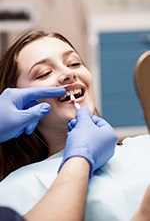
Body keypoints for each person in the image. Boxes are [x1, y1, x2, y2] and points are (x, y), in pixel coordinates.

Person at [0, 30, 150, 221]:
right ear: (19, 103)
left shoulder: (144, 146)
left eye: (74, 63)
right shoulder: (15, 191)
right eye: (44, 73)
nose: (68, 73)